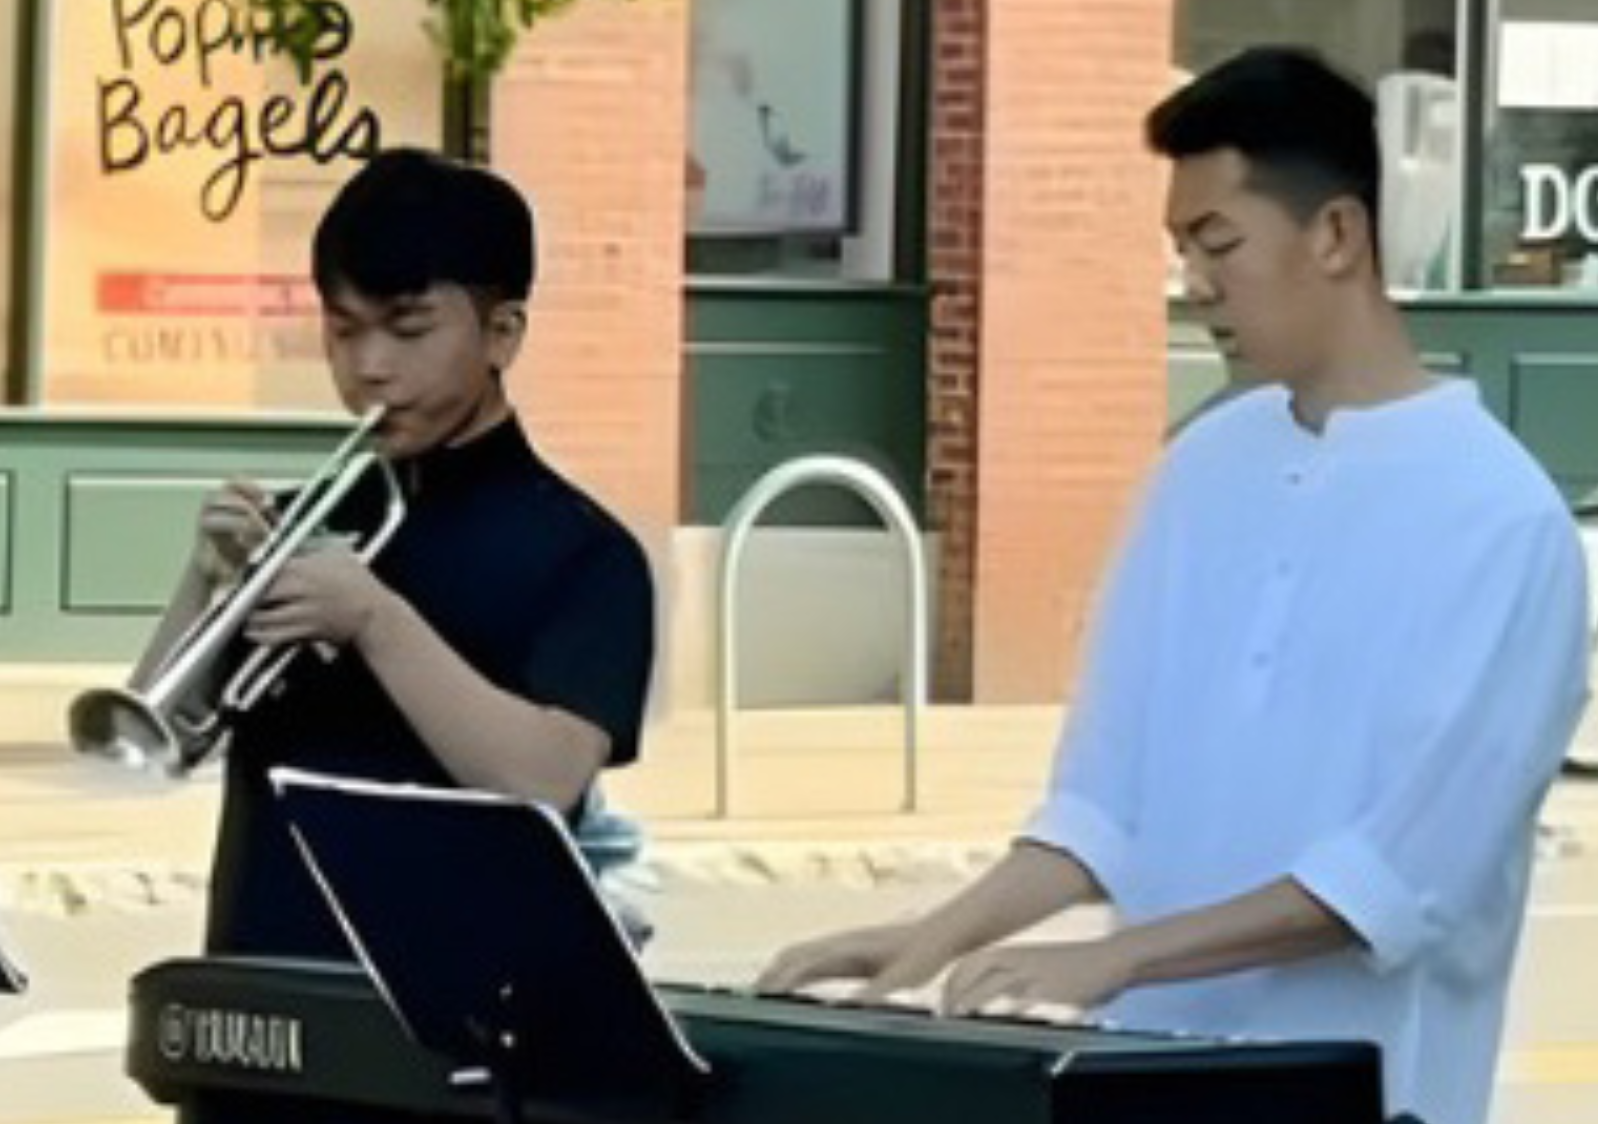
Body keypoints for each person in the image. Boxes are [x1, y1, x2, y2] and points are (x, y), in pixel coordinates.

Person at [757, 47, 1589, 1124]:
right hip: (1143, 1080)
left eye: (1218, 242)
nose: (1194, 284)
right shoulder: (1201, 468)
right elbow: (1102, 805)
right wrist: (930, 938)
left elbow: (1396, 881)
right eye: (1180, 248)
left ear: (1337, 234)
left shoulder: (1505, 524)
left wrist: (1118, 959)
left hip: (1370, 1094)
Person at [132, 148, 656, 962]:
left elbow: (546, 779)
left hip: (449, 1010)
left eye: (409, 330)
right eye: (343, 330)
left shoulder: (588, 553)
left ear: (502, 334)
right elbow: (151, 744)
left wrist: (376, 622)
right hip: (257, 987)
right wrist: (205, 583)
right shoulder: (310, 520)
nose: (369, 367)